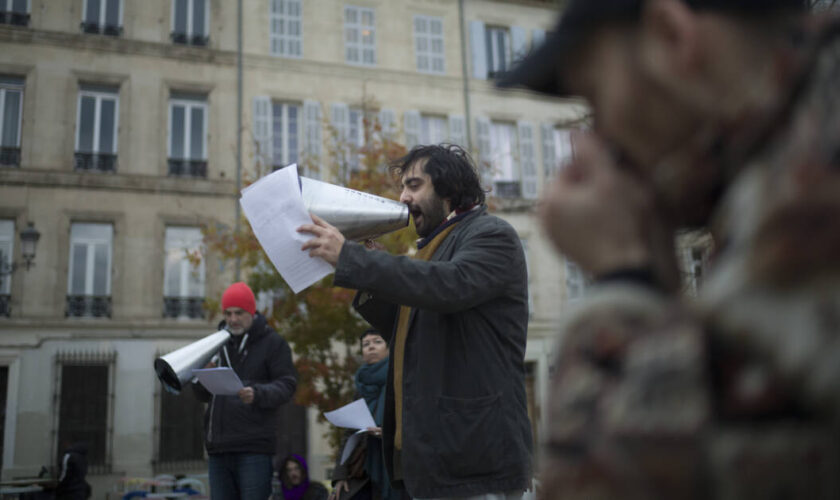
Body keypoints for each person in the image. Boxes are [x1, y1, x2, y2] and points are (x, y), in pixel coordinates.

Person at [499, 0, 840, 498]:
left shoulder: (805, 197)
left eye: (595, 95)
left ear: (671, 34)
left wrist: (621, 277)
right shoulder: (792, 145)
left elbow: (614, 484)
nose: (598, 139)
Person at [298, 144, 533, 499]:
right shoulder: (433, 247)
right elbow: (409, 325)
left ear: (449, 190)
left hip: (474, 459)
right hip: (439, 458)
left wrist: (353, 258)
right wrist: (366, 273)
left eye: (414, 185)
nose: (404, 198)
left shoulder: (492, 235)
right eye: (402, 188)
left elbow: (448, 285)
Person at [193, 281, 298, 500]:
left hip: (254, 449)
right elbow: (203, 396)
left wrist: (257, 393)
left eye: (239, 313)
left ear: (252, 311)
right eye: (228, 313)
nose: (232, 319)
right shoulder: (216, 343)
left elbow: (288, 385)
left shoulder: (273, 343)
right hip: (218, 449)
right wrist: (201, 378)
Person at [331, 329, 393, 500]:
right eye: (366, 344)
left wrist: (387, 432)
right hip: (365, 466)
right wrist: (340, 475)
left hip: (395, 464)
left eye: (377, 342)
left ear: (389, 348)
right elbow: (350, 433)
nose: (371, 347)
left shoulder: (399, 378)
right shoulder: (361, 386)